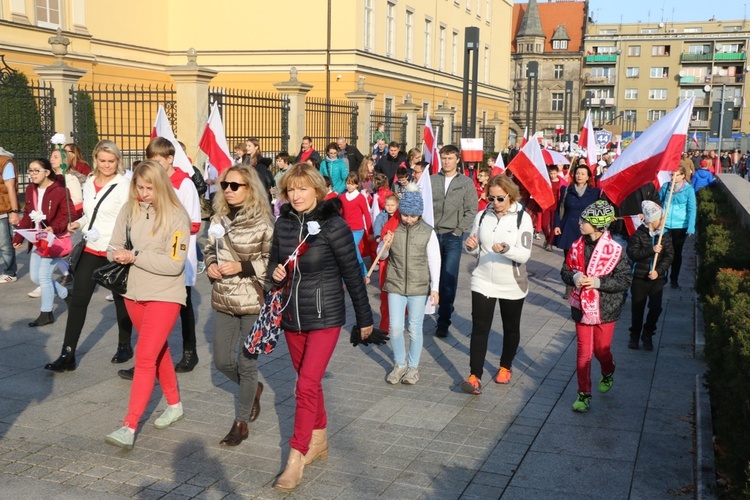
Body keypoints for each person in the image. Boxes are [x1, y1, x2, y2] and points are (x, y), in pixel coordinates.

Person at [268, 163, 373, 491]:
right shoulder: (283, 223)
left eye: (302, 189)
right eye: (291, 190)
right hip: (291, 316)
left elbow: (353, 272)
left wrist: (365, 318)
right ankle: (319, 438)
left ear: (316, 190)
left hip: (325, 315)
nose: (296, 196)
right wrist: (274, 273)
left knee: (305, 384)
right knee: (308, 384)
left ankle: (296, 456)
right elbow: (273, 260)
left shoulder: (334, 225)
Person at [104, 160, 190, 450]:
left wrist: (135, 256)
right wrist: (116, 254)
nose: (143, 193)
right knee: (157, 349)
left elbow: (175, 264)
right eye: (139, 187)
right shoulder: (129, 209)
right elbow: (113, 245)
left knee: (143, 356)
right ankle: (175, 404)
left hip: (166, 293)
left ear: (161, 185)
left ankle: (129, 425)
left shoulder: (177, 215)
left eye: (148, 188)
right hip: (133, 292)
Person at [44, 140, 133, 372]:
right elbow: (89, 214)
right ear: (95, 159)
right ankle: (68, 353)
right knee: (79, 302)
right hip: (91, 248)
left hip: (114, 250)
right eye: (102, 161)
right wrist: (79, 223)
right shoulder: (90, 181)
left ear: (118, 161)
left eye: (111, 161)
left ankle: (124, 344)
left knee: (120, 300)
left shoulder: (124, 184)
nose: (107, 165)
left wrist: (121, 247)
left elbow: (126, 219)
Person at [204, 166, 273, 446]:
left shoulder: (265, 223)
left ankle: (241, 423)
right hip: (224, 297)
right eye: (225, 185)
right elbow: (209, 247)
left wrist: (242, 266)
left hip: (253, 299)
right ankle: (253, 388)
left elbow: (272, 261)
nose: (229, 190)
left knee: (246, 363)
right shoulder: (219, 217)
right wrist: (209, 264)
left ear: (250, 188)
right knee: (221, 361)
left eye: (236, 185)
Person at [461, 175, 533, 394]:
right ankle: (474, 376)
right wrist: (470, 246)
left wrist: (506, 249)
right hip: (483, 279)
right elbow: (475, 248)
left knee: (510, 328)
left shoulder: (523, 218)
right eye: (491, 198)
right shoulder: (483, 216)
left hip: (511, 281)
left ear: (510, 196)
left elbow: (524, 254)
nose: (495, 203)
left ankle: (505, 366)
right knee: (479, 328)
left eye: (500, 199)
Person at [560, 200, 632, 413]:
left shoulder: (616, 250)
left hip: (605, 309)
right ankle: (583, 394)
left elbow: (624, 280)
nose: (580, 223)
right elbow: (565, 271)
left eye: (585, 221)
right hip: (580, 306)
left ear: (598, 225)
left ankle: (608, 370)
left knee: (602, 351)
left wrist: (598, 283)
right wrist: (575, 277)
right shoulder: (576, 246)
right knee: (583, 351)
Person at [379, 184, 440, 385]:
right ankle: (399, 364)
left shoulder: (428, 232)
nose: (408, 219)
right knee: (395, 327)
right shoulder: (393, 228)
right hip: (395, 283)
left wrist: (435, 287)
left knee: (414, 328)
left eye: (413, 216)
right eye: (405, 214)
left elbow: (434, 260)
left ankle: (413, 368)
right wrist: (385, 245)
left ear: (420, 215)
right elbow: (383, 256)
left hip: (418, 286)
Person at [12, 158, 72, 326]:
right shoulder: (31, 189)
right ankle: (67, 295)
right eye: (30, 170)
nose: (32, 174)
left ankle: (46, 313)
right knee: (35, 277)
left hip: (53, 240)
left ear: (47, 172)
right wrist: (18, 237)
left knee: (44, 277)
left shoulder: (60, 191)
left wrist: (55, 228)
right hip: (37, 239)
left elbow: (69, 214)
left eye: (36, 170)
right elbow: (27, 214)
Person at [430, 144, 478, 338]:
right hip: (432, 234)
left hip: (452, 236)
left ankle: (443, 321)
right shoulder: (432, 180)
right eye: (444, 158)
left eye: (450, 158)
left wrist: (459, 231)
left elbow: (471, 210)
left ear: (458, 160)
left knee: (448, 278)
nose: (446, 162)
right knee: (431, 276)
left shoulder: (465, 183)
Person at [627, 201, 674, 351]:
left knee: (655, 307)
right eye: (660, 218)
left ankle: (648, 333)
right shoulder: (638, 234)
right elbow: (633, 254)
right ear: (652, 220)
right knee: (637, 308)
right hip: (640, 278)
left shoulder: (664, 236)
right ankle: (634, 334)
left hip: (657, 279)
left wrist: (658, 271)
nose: (663, 221)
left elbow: (669, 256)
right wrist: (651, 250)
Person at [554, 164, 601, 298]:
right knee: (569, 259)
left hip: (586, 229)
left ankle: (584, 284)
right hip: (568, 228)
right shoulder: (567, 190)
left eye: (583, 174)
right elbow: (559, 209)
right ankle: (569, 285)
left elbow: (599, 210)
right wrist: (557, 225)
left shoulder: (595, 192)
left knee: (585, 258)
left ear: (588, 177)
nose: (579, 176)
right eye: (577, 173)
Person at [659, 167, 696, 289]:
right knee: (663, 251)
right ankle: (662, 276)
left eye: (677, 175)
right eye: (672, 175)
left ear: (683, 176)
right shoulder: (665, 187)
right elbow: (658, 203)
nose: (673, 178)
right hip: (665, 225)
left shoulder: (688, 189)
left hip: (680, 226)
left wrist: (691, 227)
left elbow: (692, 209)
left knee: (676, 253)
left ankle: (674, 279)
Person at [338, 172, 372, 276]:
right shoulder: (343, 197)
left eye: (352, 183)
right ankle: (350, 273)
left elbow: (366, 214)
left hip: (358, 229)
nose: (349, 186)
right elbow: (340, 213)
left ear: (357, 185)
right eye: (348, 183)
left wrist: (370, 231)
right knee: (350, 250)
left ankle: (364, 272)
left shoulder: (360, 197)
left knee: (352, 247)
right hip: (346, 228)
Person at [0, 147, 19, 284]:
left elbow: (10, 187)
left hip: (2, 209)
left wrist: (14, 210)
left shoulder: (5, 162)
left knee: (5, 244)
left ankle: (10, 272)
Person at [243, 137, 275, 205]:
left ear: (256, 147)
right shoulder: (246, 159)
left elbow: (261, 179)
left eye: (249, 146)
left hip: (257, 192)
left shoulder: (260, 162)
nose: (247, 148)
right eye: (246, 145)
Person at [541, 165, 563, 251]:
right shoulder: (546, 181)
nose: (553, 175)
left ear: (557, 173)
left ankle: (550, 243)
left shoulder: (561, 182)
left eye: (554, 173)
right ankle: (547, 237)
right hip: (546, 204)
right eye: (551, 173)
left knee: (554, 225)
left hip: (556, 205)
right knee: (544, 224)